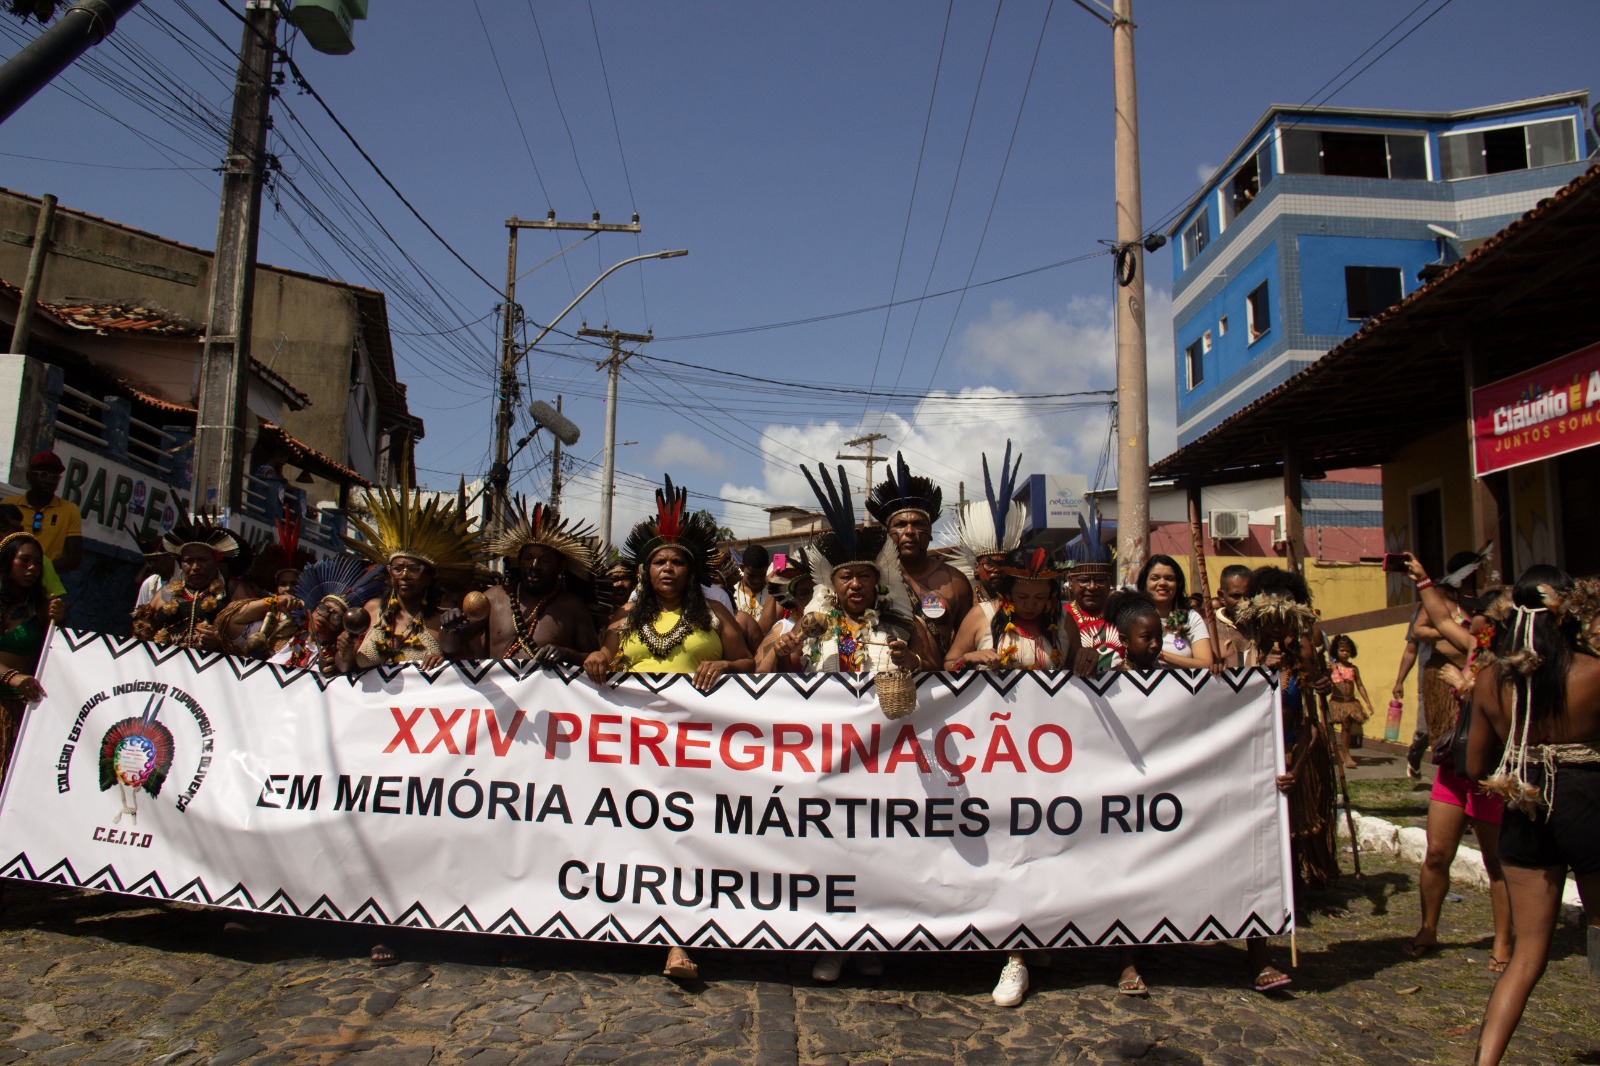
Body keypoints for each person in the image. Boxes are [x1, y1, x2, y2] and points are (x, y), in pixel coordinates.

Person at [758, 463, 936, 986]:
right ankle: (832, 943)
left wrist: (909, 659)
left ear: (877, 582)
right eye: (846, 576)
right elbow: (766, 666)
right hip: (827, 760)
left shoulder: (898, 626)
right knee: (830, 849)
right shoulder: (811, 628)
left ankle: (872, 942)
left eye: (864, 576)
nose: (856, 584)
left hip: (884, 760)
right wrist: (782, 645)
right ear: (832, 584)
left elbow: (932, 671)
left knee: (878, 848)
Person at [582, 477, 755, 982]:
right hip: (634, 754)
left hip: (700, 751)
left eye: (677, 562)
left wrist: (728, 667)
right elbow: (604, 656)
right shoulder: (626, 618)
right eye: (660, 562)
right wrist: (597, 655)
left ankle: (679, 942)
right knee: (634, 840)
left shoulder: (717, 614)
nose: (668, 569)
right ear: (645, 570)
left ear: (691, 570)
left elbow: (759, 667)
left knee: (687, 842)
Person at [1464, 566, 1600, 1066]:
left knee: (1525, 956)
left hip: (1524, 804)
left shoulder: (1489, 682)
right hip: (1587, 804)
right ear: (1569, 614)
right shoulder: (1593, 672)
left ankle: (1486, 1062)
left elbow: (1476, 765)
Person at [1394, 556, 1512, 972]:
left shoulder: (1518, 663)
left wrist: (1467, 686)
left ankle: (1503, 942)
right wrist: (1422, 579)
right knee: (1437, 852)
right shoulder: (1475, 648)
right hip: (1455, 765)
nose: (1470, 620)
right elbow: (1441, 619)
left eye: (1479, 615)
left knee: (1496, 862)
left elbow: (1510, 716)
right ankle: (1428, 927)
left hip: (1494, 774)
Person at [1230, 565, 1336, 993]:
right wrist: (1259, 667)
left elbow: (1311, 718)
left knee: (1286, 850)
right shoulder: (1240, 648)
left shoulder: (1305, 649)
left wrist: (1297, 761)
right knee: (1255, 853)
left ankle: (1273, 933)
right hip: (1250, 763)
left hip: (1294, 759)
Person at [866, 453, 971, 658]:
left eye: (918, 524)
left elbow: (968, 642)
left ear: (930, 533)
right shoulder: (871, 579)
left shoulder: (955, 582)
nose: (909, 531)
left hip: (942, 685)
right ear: (888, 534)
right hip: (886, 682)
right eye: (900, 525)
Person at [479, 502, 604, 664]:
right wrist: (450, 626)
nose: (534, 566)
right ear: (519, 560)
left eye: (544, 560)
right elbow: (450, 647)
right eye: (528, 558)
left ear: (560, 567)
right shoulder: (493, 597)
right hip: (498, 688)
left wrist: (566, 653)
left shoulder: (573, 606)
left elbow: (594, 660)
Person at [130, 507, 246, 652]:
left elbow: (251, 639)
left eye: (202, 560)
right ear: (180, 563)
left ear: (216, 561)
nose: (195, 566)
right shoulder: (165, 593)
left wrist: (221, 643)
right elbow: (141, 634)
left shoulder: (233, 591)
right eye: (189, 561)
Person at [945, 545, 1075, 674]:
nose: (1030, 605)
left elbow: (1078, 669)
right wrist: (966, 660)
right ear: (1008, 591)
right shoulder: (981, 615)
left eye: (1039, 597)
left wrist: (1087, 658)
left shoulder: (1064, 620)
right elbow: (948, 666)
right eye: (1022, 596)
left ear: (1051, 593)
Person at [0, 533, 66, 783]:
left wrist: (58, 623)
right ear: (7, 562)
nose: (32, 568)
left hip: (15, 711)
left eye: (37, 563)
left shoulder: (42, 607)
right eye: (24, 561)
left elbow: (56, 657)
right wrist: (11, 676)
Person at [953, 442, 1026, 608]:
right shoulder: (964, 605)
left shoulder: (1025, 607)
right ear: (976, 568)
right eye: (990, 564)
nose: (997, 570)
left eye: (1003, 564)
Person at [2, 451, 82, 572]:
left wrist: (39, 571)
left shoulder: (70, 510)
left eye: (54, 477)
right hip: (9, 577)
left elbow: (74, 558)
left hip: (44, 585)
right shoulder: (10, 504)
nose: (49, 481)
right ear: (29, 476)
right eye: (43, 475)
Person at [1136, 554, 1214, 669]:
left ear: (1178, 584)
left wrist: (1160, 655)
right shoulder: (1133, 615)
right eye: (1155, 578)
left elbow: (1206, 663)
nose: (1162, 583)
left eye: (1169, 578)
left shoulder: (1191, 617)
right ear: (1144, 583)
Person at [1326, 635, 1376, 769]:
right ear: (1336, 651)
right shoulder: (1332, 667)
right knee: (1330, 728)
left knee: (1347, 727)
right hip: (1337, 702)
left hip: (1350, 702)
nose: (1345, 653)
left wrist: (1368, 703)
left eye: (1347, 651)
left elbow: (1360, 685)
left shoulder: (1353, 669)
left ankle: (1346, 754)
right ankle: (1335, 752)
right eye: (1342, 650)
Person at [1065, 560, 1118, 675]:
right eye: (1084, 580)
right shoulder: (1060, 617)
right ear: (1070, 582)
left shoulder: (1122, 614)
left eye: (1100, 580)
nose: (1092, 587)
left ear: (1110, 582)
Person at [1211, 564, 1255, 669]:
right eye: (1236, 596)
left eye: (1248, 596)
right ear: (1222, 596)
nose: (1243, 602)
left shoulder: (1262, 625)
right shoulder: (1208, 626)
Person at [730, 543, 769, 618]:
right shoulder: (731, 592)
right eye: (751, 576)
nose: (756, 581)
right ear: (742, 567)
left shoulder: (774, 594)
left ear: (767, 567)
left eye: (762, 575)